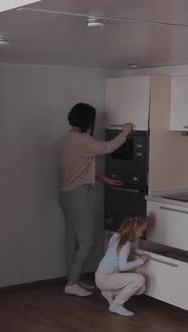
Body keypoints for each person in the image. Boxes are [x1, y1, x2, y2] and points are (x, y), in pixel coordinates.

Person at [57, 102, 134, 297]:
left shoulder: (67, 138)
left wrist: (102, 178)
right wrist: (124, 133)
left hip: (66, 194)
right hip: (78, 195)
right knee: (87, 241)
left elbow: (77, 166)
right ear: (87, 120)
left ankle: (72, 280)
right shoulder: (82, 139)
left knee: (71, 240)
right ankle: (72, 283)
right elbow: (107, 147)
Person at [95, 213, 156, 316]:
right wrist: (141, 261)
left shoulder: (117, 237)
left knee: (141, 289)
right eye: (142, 231)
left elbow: (126, 225)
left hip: (101, 277)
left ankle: (109, 293)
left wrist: (146, 223)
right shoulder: (125, 244)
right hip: (105, 279)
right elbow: (123, 267)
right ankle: (116, 305)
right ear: (134, 230)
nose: (142, 234)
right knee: (139, 279)